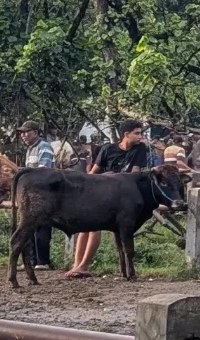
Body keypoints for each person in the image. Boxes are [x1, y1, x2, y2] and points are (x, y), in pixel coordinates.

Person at [69, 119, 150, 279]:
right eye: (137, 133)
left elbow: (133, 174)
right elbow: (93, 173)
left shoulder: (140, 150)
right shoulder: (107, 149)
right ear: (126, 134)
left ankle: (84, 265)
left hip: (121, 195)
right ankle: (76, 265)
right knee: (86, 227)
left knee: (93, 227)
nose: (140, 137)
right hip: (101, 191)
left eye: (140, 133)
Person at [18, 121, 55, 271]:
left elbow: (43, 171)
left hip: (44, 193)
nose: (23, 135)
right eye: (22, 133)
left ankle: (43, 261)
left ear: (35, 132)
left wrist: (24, 171)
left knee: (42, 228)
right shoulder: (30, 149)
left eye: (26, 132)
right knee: (30, 228)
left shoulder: (44, 147)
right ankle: (32, 261)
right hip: (33, 194)